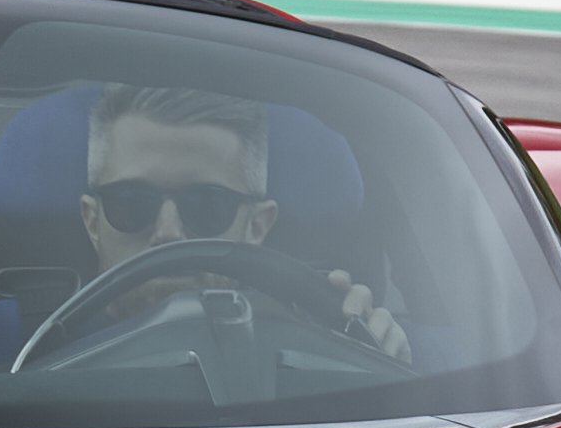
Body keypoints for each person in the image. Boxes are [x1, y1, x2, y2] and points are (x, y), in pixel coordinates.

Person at [44, 86, 407, 360]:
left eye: (206, 204)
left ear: (257, 226)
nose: (168, 232)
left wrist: (372, 363)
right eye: (131, 202)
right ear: (92, 222)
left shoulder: (320, 349)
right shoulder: (5, 346)